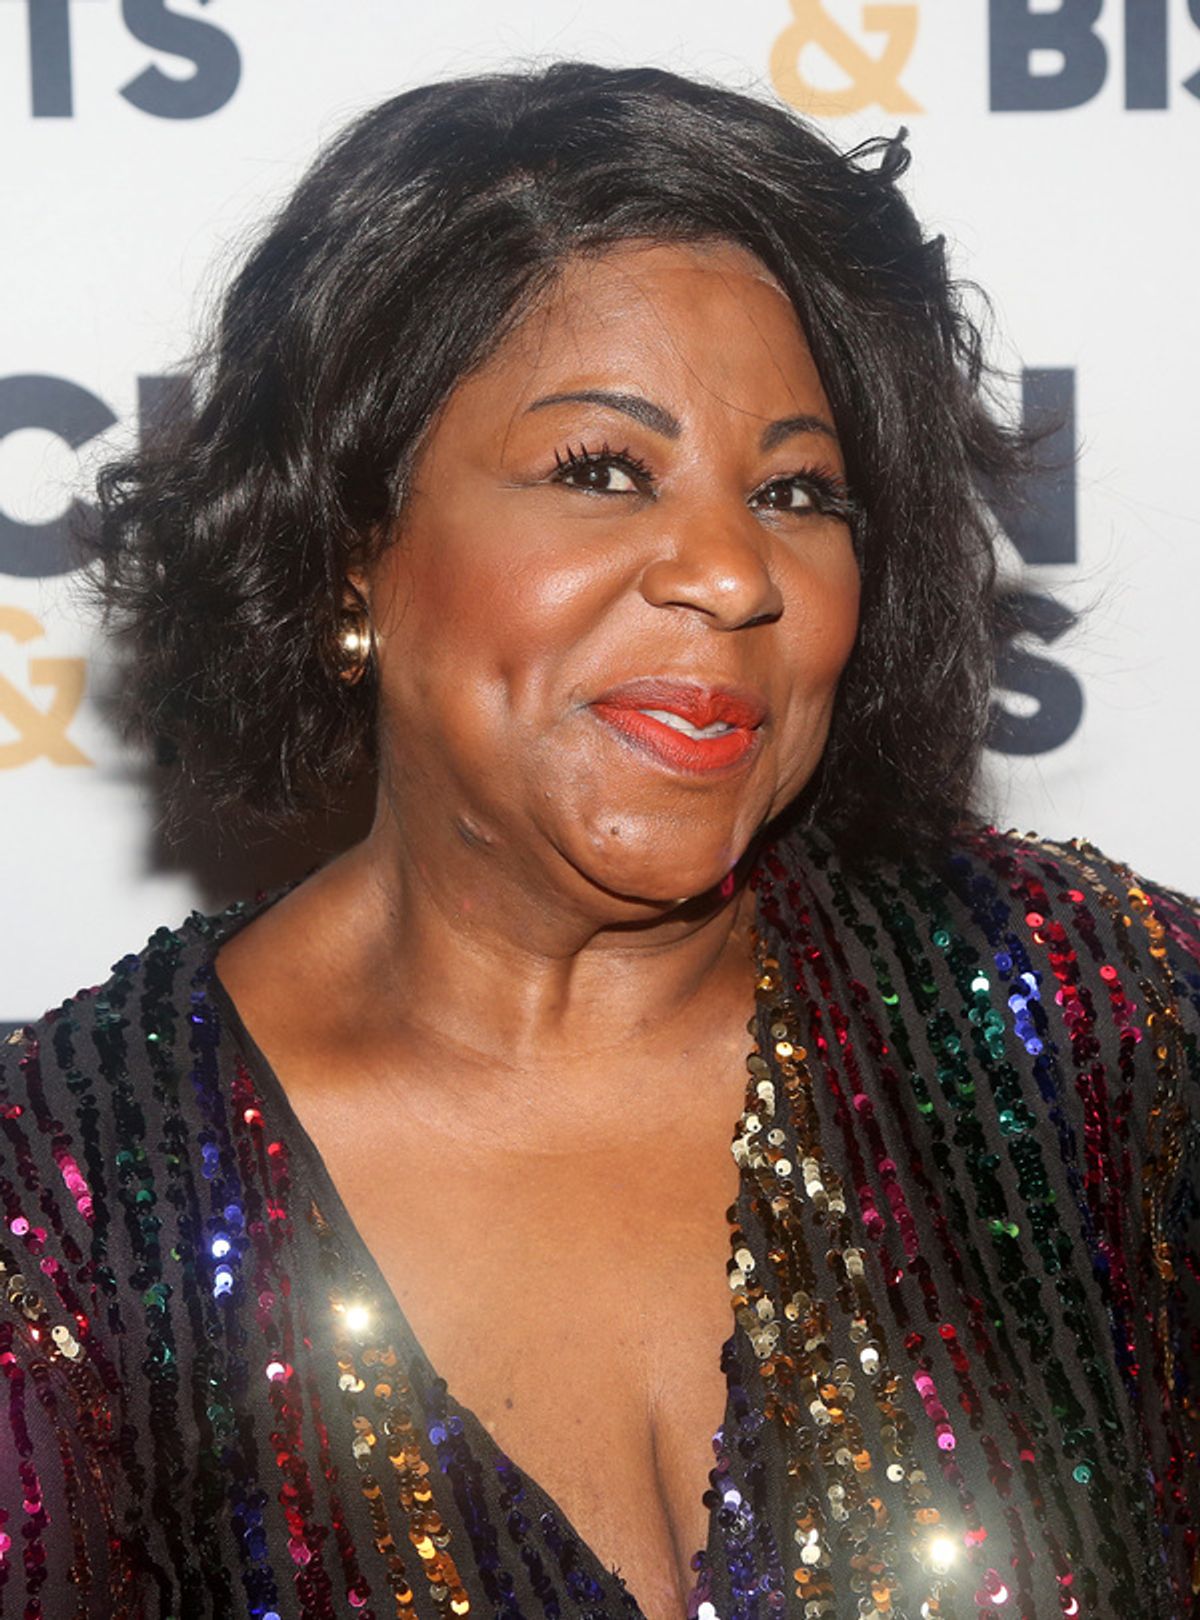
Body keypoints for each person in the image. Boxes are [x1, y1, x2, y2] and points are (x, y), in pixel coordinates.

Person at [2, 61, 1196, 1620]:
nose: (728, 569)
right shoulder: (68, 1214)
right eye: (601, 471)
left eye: (798, 490)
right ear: (354, 547)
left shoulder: (1106, 1025)